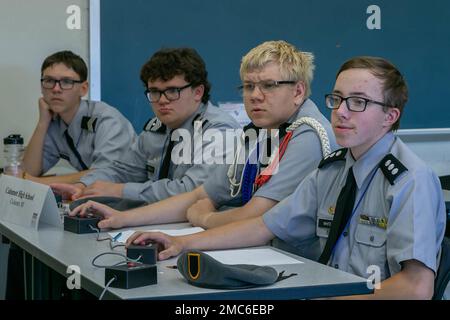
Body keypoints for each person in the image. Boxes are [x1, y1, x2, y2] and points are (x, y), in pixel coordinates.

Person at [123, 56, 446, 299]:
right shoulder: (334, 170)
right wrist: (181, 242)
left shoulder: (410, 180)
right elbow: (264, 226)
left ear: (390, 116)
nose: (341, 112)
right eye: (336, 99)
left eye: (358, 102)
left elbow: (415, 288)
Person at [71, 40, 336, 231]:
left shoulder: (307, 134)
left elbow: (257, 214)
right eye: (248, 86)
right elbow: (201, 195)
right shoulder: (261, 133)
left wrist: (205, 219)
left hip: (299, 265)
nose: (255, 95)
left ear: (299, 92)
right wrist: (121, 218)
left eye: (268, 85)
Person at [52, 47, 240, 203]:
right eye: (155, 92)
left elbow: (192, 191)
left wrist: (120, 191)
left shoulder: (218, 130)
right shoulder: (157, 127)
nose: (162, 100)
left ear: (198, 92)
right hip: (158, 222)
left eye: (173, 91)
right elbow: (123, 170)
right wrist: (83, 186)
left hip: (202, 229)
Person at [22, 50, 137, 185]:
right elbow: (28, 171)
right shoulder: (55, 122)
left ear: (83, 88)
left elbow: (104, 175)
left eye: (66, 82)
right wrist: (42, 123)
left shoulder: (107, 120)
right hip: (97, 197)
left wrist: (37, 182)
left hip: (133, 200)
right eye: (49, 81)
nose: (56, 89)